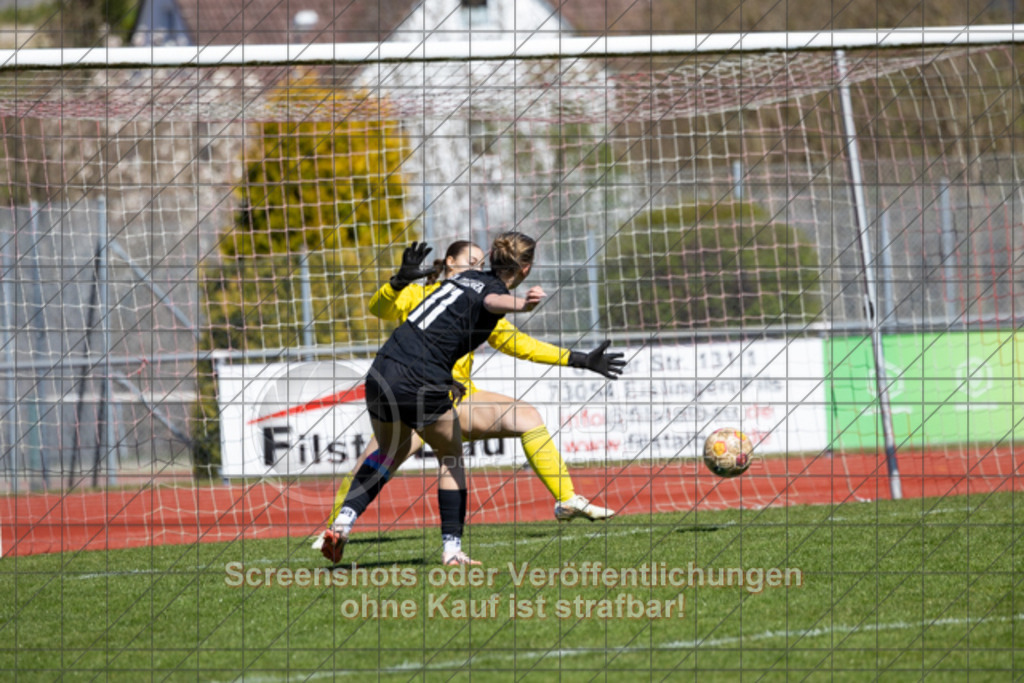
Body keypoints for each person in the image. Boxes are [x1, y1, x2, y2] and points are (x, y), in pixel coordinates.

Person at [321, 234, 623, 566]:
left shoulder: (456, 284)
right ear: (526, 268)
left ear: (492, 257)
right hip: (427, 388)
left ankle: (341, 523)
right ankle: (452, 550)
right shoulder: (481, 292)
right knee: (450, 459)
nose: (476, 263)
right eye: (471, 258)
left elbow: (477, 334)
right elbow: (491, 302)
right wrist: (522, 304)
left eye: (481, 258)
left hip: (384, 373)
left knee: (386, 454)